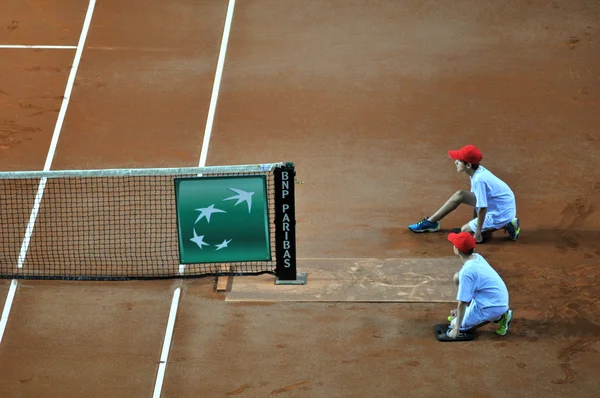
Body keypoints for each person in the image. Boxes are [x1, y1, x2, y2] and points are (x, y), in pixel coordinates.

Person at [408, 144, 520, 243]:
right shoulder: (477, 172)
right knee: (460, 195)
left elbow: (482, 207)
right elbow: (477, 201)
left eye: (459, 160)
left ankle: (509, 223)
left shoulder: (479, 179)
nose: (455, 162)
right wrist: (474, 223)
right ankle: (431, 223)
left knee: (465, 231)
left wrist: (477, 233)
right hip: (497, 204)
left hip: (501, 212)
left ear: (468, 165)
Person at [445, 231, 512, 339]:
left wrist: (457, 328)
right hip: (495, 297)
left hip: (493, 306)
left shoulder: (467, 271)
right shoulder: (476, 257)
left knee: (455, 324)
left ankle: (501, 317)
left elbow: (462, 302)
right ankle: (472, 313)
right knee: (457, 276)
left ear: (457, 250)